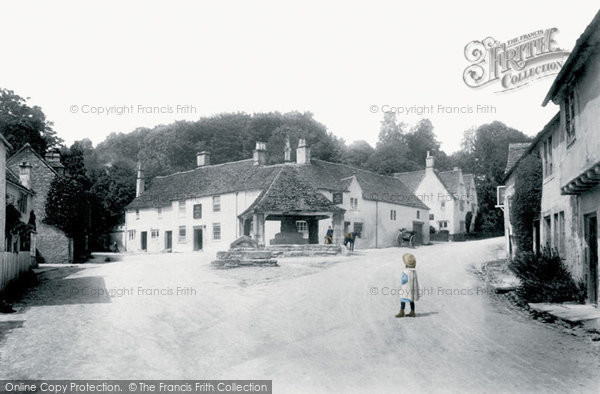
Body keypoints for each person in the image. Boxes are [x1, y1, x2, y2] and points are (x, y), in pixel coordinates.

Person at [395, 253, 419, 318]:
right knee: (411, 300)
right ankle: (412, 311)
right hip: (412, 289)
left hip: (406, 288)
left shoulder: (405, 271)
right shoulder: (414, 271)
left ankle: (402, 311)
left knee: (402, 300)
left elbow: (404, 280)